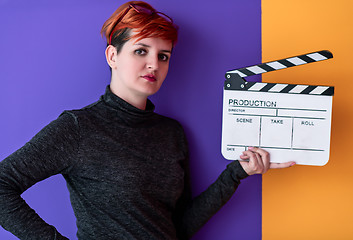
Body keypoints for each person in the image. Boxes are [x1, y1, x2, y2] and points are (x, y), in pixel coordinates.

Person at [0, 1, 296, 239]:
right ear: (112, 56)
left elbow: (179, 226)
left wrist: (236, 173)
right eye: (141, 51)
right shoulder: (79, 128)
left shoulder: (171, 133)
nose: (154, 64)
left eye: (164, 56)